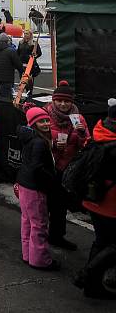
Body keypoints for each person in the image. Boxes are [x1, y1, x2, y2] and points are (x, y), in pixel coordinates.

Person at [74, 99, 116, 298]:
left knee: (101, 241)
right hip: (110, 203)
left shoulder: (99, 133)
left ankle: (92, 284)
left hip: (93, 199)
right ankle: (88, 274)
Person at [45, 80, 91, 250]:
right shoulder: (46, 114)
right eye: (60, 100)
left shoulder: (78, 118)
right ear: (53, 100)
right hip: (49, 165)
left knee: (60, 205)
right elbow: (37, 137)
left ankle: (57, 236)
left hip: (67, 168)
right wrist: (54, 143)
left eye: (67, 101)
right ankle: (38, 235)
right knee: (44, 204)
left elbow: (86, 144)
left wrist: (80, 133)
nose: (63, 104)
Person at [16, 107, 60, 270]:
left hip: (24, 184)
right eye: (41, 121)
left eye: (47, 120)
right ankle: (40, 260)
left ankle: (28, 254)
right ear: (33, 123)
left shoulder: (28, 137)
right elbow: (38, 168)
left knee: (27, 220)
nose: (46, 123)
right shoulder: (40, 142)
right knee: (39, 224)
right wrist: (51, 180)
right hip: (35, 188)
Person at [0, 33, 23, 99]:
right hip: (8, 77)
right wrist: (22, 72)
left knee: (5, 92)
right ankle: (5, 106)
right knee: (5, 95)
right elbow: (18, 64)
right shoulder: (11, 51)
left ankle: (8, 103)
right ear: (7, 41)